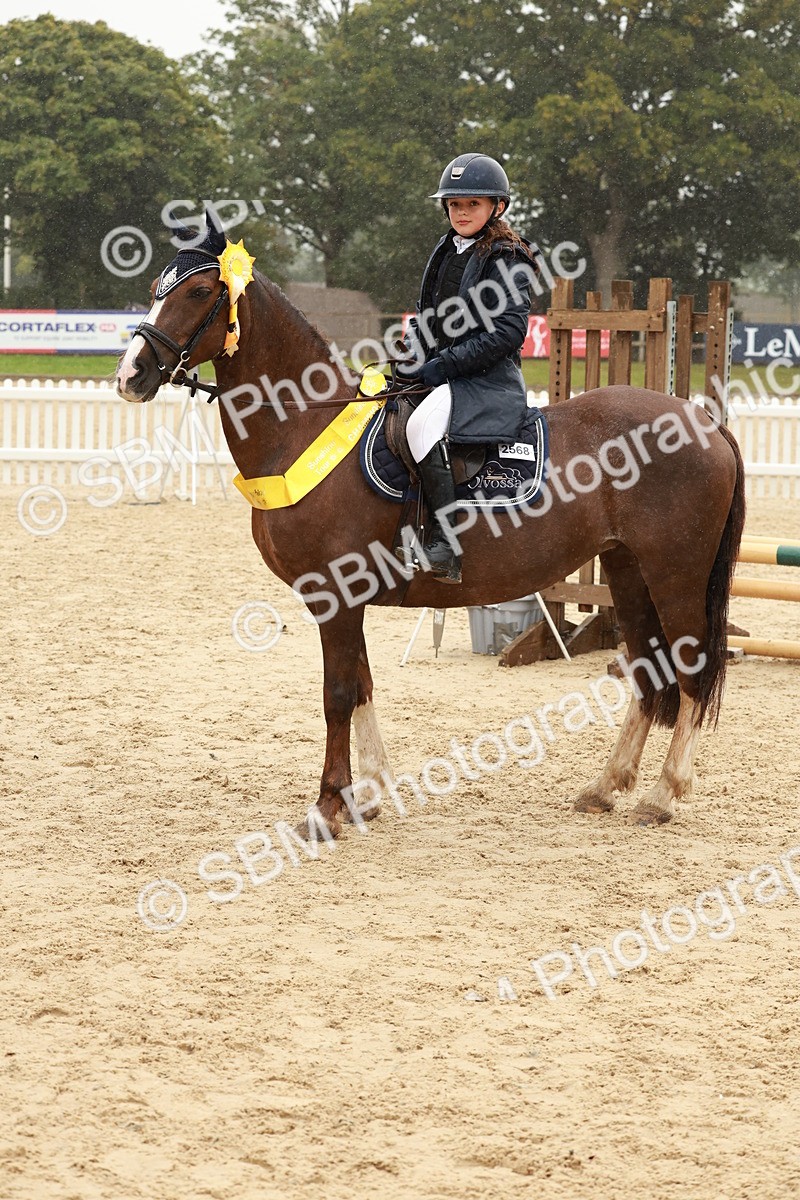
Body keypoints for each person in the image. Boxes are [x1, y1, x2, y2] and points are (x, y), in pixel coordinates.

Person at [398, 152, 538, 584]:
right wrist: (412, 353)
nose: (461, 212)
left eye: (472, 204)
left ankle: (446, 546)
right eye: (454, 204)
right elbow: (427, 316)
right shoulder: (446, 249)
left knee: (421, 427)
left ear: (497, 206)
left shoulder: (509, 257)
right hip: (446, 372)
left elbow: (508, 332)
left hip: (487, 379)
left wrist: (444, 365)